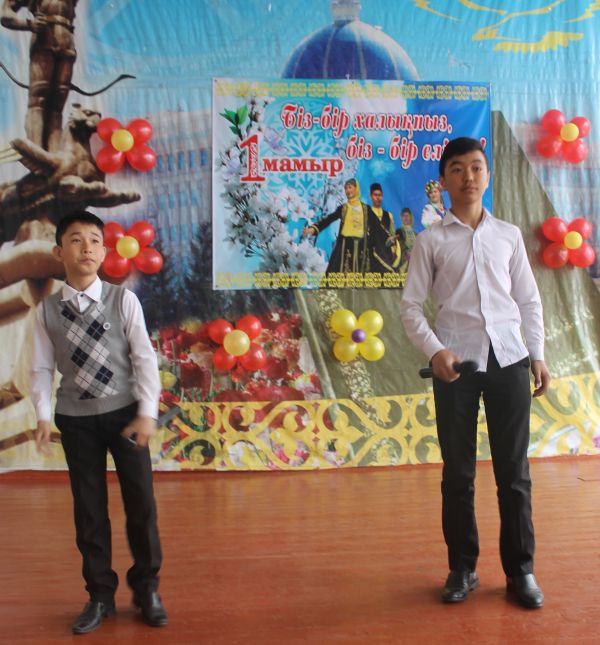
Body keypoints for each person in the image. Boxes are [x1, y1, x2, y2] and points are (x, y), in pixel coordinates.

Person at [399, 137, 551, 609]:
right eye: (458, 169)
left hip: (510, 359)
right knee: (458, 473)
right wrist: (435, 351)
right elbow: (410, 307)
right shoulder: (431, 240)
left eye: (477, 167)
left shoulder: (508, 235)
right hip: (456, 366)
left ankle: (521, 571)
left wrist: (538, 354)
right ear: (443, 180)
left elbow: (528, 300)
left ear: (487, 175)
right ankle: (462, 568)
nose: (468, 177)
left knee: (514, 472)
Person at [30, 211, 168, 633]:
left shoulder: (123, 300)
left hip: (126, 416)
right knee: (89, 511)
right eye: (75, 239)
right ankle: (99, 595)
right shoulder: (46, 311)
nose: (86, 247)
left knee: (140, 504)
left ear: (105, 252)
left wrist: (147, 413)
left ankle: (147, 589)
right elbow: (41, 368)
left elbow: (144, 359)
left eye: (94, 239)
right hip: (76, 422)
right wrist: (41, 415)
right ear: (59, 252)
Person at [1, 0, 78, 151]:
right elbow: (5, 13)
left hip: (67, 44)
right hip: (44, 42)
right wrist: (28, 24)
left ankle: (53, 154)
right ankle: (36, 150)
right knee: (38, 99)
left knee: (57, 104)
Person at [302, 178, 397, 276]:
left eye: (350, 187)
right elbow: (329, 219)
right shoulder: (344, 208)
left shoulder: (366, 209)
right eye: (346, 188)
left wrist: (388, 239)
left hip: (362, 248)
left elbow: (377, 226)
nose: (347, 191)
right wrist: (313, 229)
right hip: (345, 247)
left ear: (356, 189)